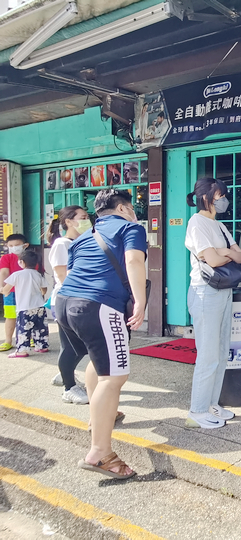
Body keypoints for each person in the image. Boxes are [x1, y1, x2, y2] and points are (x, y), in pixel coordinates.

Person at [56, 189, 147, 480]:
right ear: (122, 207)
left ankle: (101, 418)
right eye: (131, 207)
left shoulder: (83, 236)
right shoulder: (131, 226)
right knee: (115, 377)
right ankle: (99, 452)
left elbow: (73, 271)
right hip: (98, 306)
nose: (133, 212)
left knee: (99, 361)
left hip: (66, 303)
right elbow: (134, 261)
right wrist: (141, 301)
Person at [184, 178, 241, 429]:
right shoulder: (196, 223)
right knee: (208, 355)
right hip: (204, 292)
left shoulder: (219, 226)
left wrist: (227, 253)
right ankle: (196, 410)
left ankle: (212, 404)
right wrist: (226, 253)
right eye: (220, 195)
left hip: (223, 291)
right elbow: (210, 258)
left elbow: (240, 256)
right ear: (206, 197)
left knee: (221, 354)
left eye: (224, 195)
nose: (224, 200)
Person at [48, 207, 93, 402]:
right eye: (82, 218)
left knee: (77, 345)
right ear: (69, 222)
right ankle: (69, 387)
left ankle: (65, 373)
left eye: (87, 217)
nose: (87, 220)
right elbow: (62, 276)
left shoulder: (81, 242)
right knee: (74, 346)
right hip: (66, 300)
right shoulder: (62, 244)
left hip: (78, 299)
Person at [2, 250, 48, 358]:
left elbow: (6, 290)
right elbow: (44, 290)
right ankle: (42, 346)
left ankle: (22, 351)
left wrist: (2, 289)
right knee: (40, 328)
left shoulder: (17, 275)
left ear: (21, 262)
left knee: (23, 329)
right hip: (39, 306)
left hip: (25, 307)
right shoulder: (38, 274)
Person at [0, 233, 32, 352]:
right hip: (11, 291)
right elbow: (4, 272)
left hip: (29, 292)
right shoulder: (6, 258)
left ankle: (31, 337)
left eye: (17, 245)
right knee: (10, 316)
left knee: (29, 315)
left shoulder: (31, 257)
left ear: (25, 245)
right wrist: (2, 286)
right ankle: (8, 340)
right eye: (10, 245)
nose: (13, 247)